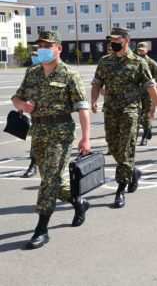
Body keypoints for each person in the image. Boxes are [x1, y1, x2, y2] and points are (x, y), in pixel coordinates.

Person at [12, 30, 91, 249]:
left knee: (48, 181)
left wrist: (86, 138)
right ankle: (79, 202)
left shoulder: (69, 74)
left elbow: (82, 107)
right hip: (38, 133)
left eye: (48, 45)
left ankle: (42, 229)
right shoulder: (33, 73)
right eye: (40, 45)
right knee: (53, 180)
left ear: (58, 48)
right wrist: (22, 105)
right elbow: (16, 97)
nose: (43, 49)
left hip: (61, 134)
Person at [91, 28, 157, 208]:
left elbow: (151, 87)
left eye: (116, 39)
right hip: (110, 108)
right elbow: (97, 83)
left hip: (130, 109)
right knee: (113, 146)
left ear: (126, 40)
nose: (113, 42)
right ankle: (132, 172)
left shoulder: (138, 62)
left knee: (126, 148)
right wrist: (94, 100)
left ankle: (120, 190)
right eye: (111, 39)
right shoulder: (105, 61)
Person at [21, 46, 41, 178]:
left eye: (36, 54)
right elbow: (24, 92)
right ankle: (33, 165)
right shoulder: (30, 71)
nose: (34, 57)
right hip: (36, 113)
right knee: (35, 140)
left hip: (53, 115)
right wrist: (21, 106)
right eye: (32, 54)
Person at [137, 41, 157, 146]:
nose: (140, 51)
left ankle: (145, 135)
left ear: (147, 50)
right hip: (135, 93)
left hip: (148, 93)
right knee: (136, 114)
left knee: (146, 114)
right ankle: (148, 127)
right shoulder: (134, 62)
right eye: (139, 50)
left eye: (142, 50)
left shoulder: (152, 63)